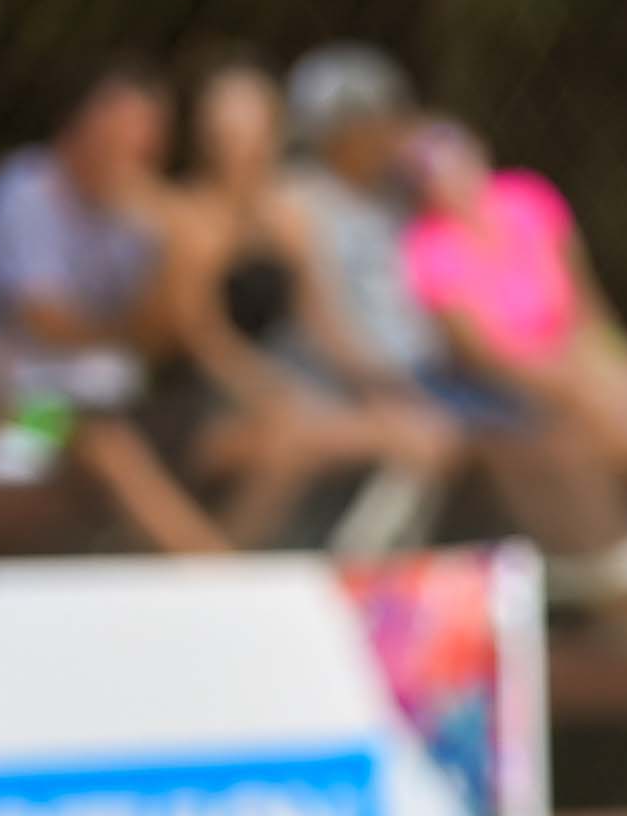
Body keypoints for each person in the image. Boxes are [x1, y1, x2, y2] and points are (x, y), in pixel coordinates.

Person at [271, 44, 627, 561]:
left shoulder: (398, 196)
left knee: (544, 428)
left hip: (435, 373)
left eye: (388, 119)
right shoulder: (299, 201)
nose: (382, 133)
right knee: (470, 438)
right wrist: (377, 389)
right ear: (333, 133)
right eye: (367, 122)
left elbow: (443, 152)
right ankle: (363, 564)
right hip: (363, 383)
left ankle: (603, 556)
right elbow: (319, 319)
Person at [153, 57, 455, 549]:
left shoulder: (285, 217)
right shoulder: (187, 220)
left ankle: (360, 563)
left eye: (251, 126)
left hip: (270, 396)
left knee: (421, 433)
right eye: (227, 128)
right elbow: (201, 340)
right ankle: (217, 570)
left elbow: (320, 318)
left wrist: (379, 387)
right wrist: (271, 394)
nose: (241, 142)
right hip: (198, 402)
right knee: (291, 443)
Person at [404, 118, 627, 511]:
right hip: (523, 389)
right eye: (434, 173)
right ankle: (622, 476)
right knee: (596, 415)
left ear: (479, 154)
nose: (452, 178)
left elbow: (585, 297)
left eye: (457, 160)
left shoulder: (527, 198)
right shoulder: (427, 248)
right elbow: (479, 353)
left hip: (588, 365)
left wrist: (616, 356)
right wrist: (568, 377)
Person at [0, 57, 228, 554]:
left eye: (149, 130)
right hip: (17, 417)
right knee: (106, 446)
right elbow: (44, 320)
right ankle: (221, 578)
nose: (138, 144)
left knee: (234, 440)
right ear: (80, 124)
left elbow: (163, 336)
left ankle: (211, 579)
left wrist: (182, 250)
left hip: (120, 398)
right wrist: (125, 333)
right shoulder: (24, 189)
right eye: (125, 126)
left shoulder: (137, 210)